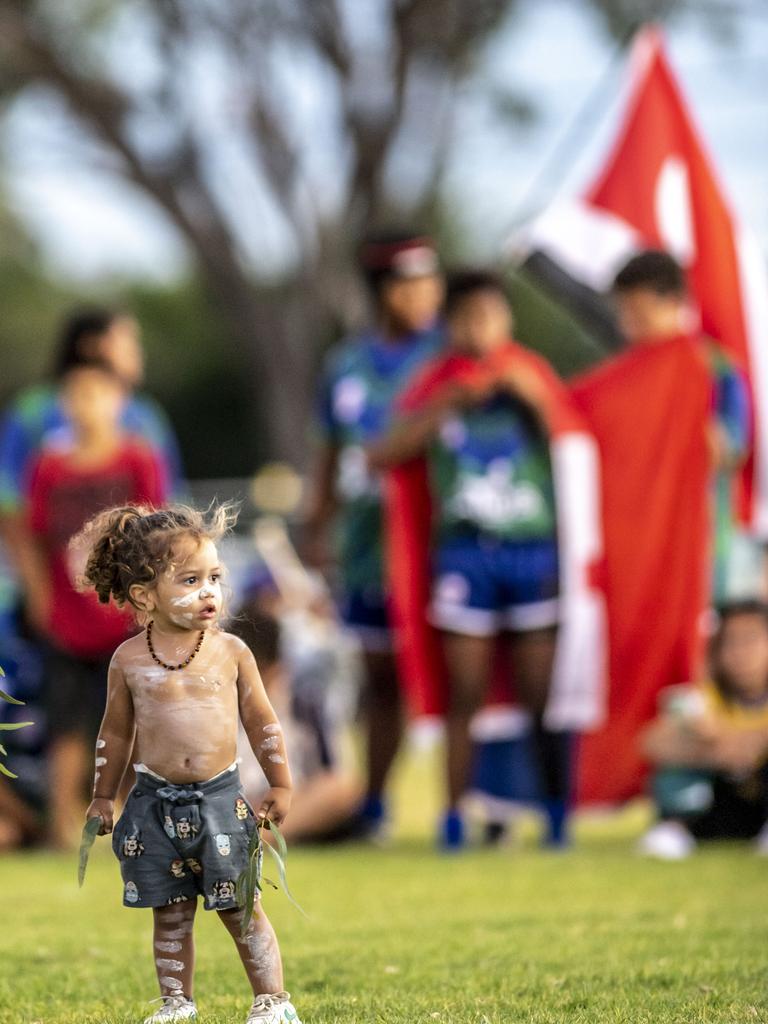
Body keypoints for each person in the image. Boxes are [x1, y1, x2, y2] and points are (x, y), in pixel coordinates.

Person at [370, 269, 605, 849]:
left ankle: (556, 815)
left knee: (540, 694)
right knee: (463, 693)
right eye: (469, 318)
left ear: (508, 321)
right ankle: (454, 817)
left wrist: (534, 402)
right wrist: (445, 406)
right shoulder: (437, 382)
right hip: (465, 554)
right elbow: (385, 452)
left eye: (493, 317)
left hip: (532, 552)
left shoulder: (531, 373)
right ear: (451, 325)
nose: (482, 330)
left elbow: (579, 444)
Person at [78, 503, 303, 1024]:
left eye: (215, 577)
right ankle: (177, 1003)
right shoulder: (129, 660)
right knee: (170, 912)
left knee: (240, 906)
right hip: (153, 804)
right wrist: (101, 796)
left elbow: (262, 721)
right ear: (144, 595)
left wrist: (281, 784)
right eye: (190, 579)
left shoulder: (231, 652)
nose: (209, 592)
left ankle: (273, 1001)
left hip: (221, 801)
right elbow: (114, 733)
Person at [571, 249, 752, 804]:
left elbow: (733, 449)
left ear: (671, 302)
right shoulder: (629, 376)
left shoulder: (713, 369)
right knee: (663, 680)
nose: (629, 325)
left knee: (729, 668)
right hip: (644, 551)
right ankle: (677, 799)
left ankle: (741, 792)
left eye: (638, 310)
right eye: (622, 312)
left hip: (710, 550)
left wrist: (682, 426)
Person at [304, 231, 444, 838]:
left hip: (441, 542)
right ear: (382, 292)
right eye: (409, 284)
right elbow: (330, 457)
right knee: (381, 676)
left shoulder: (450, 353)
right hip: (367, 547)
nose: (423, 295)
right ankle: (378, 806)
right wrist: (318, 529)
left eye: (429, 282)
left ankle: (476, 803)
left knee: (457, 677)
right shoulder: (347, 365)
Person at [15, 359, 167, 848]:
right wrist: (40, 598)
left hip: (124, 620)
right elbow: (34, 537)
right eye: (77, 395)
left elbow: (158, 534)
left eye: (98, 394)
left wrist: (151, 603)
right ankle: (64, 821)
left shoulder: (137, 459)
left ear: (120, 401)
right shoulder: (48, 467)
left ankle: (128, 813)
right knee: (66, 724)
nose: (87, 406)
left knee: (133, 721)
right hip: (67, 621)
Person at [0, 306, 183, 555]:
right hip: (53, 576)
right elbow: (10, 503)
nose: (138, 353)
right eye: (128, 342)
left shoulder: (145, 415)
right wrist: (37, 585)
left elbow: (168, 500)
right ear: (91, 345)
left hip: (131, 574)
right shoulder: (32, 412)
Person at [640, 600, 768, 859]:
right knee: (684, 747)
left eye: (751, 640)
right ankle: (675, 828)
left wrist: (751, 743)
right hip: (717, 806)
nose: (741, 653)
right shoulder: (703, 698)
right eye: (730, 642)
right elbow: (650, 743)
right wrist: (713, 747)